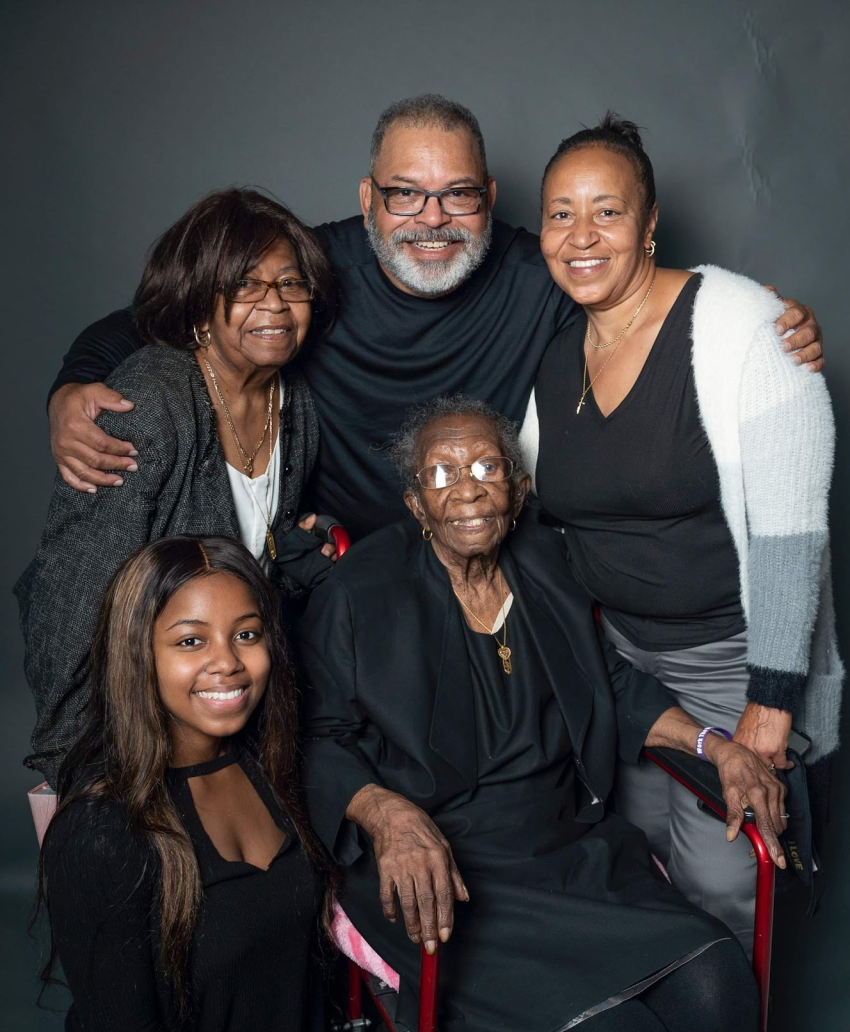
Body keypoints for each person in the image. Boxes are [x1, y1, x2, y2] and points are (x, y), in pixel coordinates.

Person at [299, 398, 784, 1032]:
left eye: (487, 467)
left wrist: (715, 745)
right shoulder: (357, 593)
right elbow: (318, 736)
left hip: (573, 852)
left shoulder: (547, 565)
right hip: (447, 873)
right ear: (416, 504)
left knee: (718, 984)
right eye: (442, 473)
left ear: (518, 490)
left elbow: (612, 683)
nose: (467, 487)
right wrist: (386, 814)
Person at [42, 95, 823, 540]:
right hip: (340, 564)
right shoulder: (308, 269)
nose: (432, 218)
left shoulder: (544, 271)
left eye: (457, 194)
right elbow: (150, 318)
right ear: (367, 199)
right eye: (405, 194)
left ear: (488, 196)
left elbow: (647, 297)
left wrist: (758, 325)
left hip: (497, 550)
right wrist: (72, 388)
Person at [519, 114, 841, 949]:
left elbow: (792, 533)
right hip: (623, 665)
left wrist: (771, 702)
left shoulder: (743, 327)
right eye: (560, 214)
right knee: (638, 869)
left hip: (731, 662)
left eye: (608, 212)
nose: (581, 236)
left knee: (722, 888)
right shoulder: (556, 357)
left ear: (650, 221)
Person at [16, 188, 338, 786]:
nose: (274, 303)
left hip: (225, 708)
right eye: (245, 285)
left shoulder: (293, 403)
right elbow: (67, 610)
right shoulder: (149, 406)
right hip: (132, 728)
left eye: (291, 284)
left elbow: (242, 565)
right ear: (198, 301)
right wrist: (76, 774)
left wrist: (298, 560)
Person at [35, 535, 334, 1032]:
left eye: (246, 634)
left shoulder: (272, 773)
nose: (227, 662)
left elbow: (302, 962)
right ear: (138, 653)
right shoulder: (103, 826)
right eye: (191, 641)